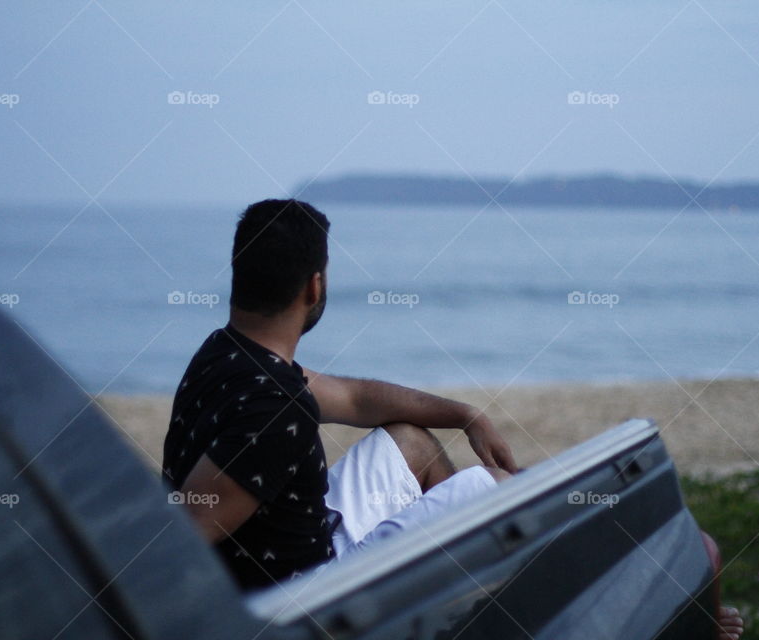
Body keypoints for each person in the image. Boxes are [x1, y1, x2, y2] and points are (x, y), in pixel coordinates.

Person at [161, 198, 516, 592]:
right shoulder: (278, 409)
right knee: (496, 486)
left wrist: (466, 416)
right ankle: (470, 601)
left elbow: (353, 397)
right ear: (314, 287)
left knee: (412, 442)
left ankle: (460, 588)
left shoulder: (224, 352)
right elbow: (185, 533)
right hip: (313, 596)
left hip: (312, 543)